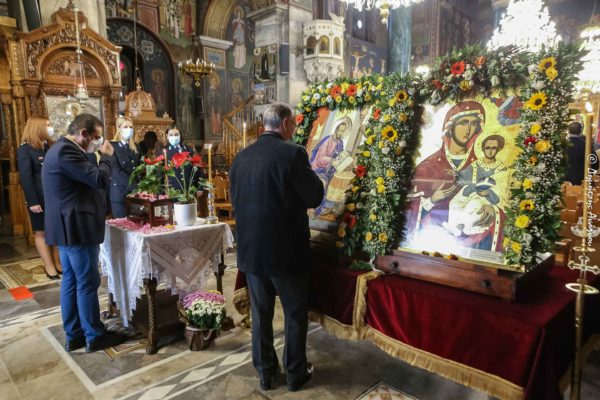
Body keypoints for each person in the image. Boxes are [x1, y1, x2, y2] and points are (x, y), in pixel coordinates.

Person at [230, 103, 324, 392]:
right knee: (294, 314)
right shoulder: (293, 154)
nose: (294, 129)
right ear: (284, 123)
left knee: (261, 315)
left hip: (252, 251)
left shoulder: (241, 157)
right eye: (293, 124)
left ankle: (265, 373)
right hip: (286, 253)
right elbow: (314, 196)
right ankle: (295, 373)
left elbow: (236, 201)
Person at [42, 113, 127, 353]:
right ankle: (94, 335)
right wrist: (107, 157)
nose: (98, 142)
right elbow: (99, 179)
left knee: (71, 280)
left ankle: (75, 334)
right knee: (87, 281)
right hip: (76, 227)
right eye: (96, 137)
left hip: (68, 227)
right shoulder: (66, 152)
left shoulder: (59, 149)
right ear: (83, 134)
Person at [404, 101, 502, 252]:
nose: (468, 130)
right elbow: (409, 208)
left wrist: (493, 209)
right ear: (450, 126)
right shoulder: (427, 167)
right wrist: (432, 200)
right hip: (431, 239)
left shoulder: (481, 166)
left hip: (473, 240)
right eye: (463, 123)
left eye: (474, 124)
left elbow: (497, 195)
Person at [444, 135, 510, 244]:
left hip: (487, 197)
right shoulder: (475, 164)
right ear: (483, 148)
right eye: (487, 148)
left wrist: (488, 192)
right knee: (454, 203)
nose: (490, 151)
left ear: (498, 149)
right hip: (472, 191)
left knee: (473, 205)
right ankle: (453, 226)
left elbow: (502, 188)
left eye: (493, 148)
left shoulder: (501, 168)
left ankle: (465, 227)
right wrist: (457, 174)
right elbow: (465, 176)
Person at [17, 117, 61, 279]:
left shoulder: (49, 146)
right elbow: (26, 178)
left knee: (55, 230)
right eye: (47, 125)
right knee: (41, 232)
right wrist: (32, 201)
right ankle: (49, 266)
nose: (50, 128)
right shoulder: (25, 149)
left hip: (54, 197)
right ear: (37, 127)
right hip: (38, 199)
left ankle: (57, 262)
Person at [109, 116, 140, 218]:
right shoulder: (112, 146)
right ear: (119, 129)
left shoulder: (135, 147)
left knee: (137, 223)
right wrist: (132, 186)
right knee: (121, 224)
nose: (129, 129)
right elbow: (116, 170)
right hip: (120, 192)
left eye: (131, 127)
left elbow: (138, 168)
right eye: (125, 127)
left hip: (135, 193)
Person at [161, 125, 197, 191]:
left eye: (176, 134)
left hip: (188, 188)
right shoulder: (163, 151)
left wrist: (200, 188)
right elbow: (160, 173)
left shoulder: (189, 150)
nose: (174, 136)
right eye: (171, 135)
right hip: (171, 189)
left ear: (180, 135)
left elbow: (196, 169)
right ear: (167, 136)